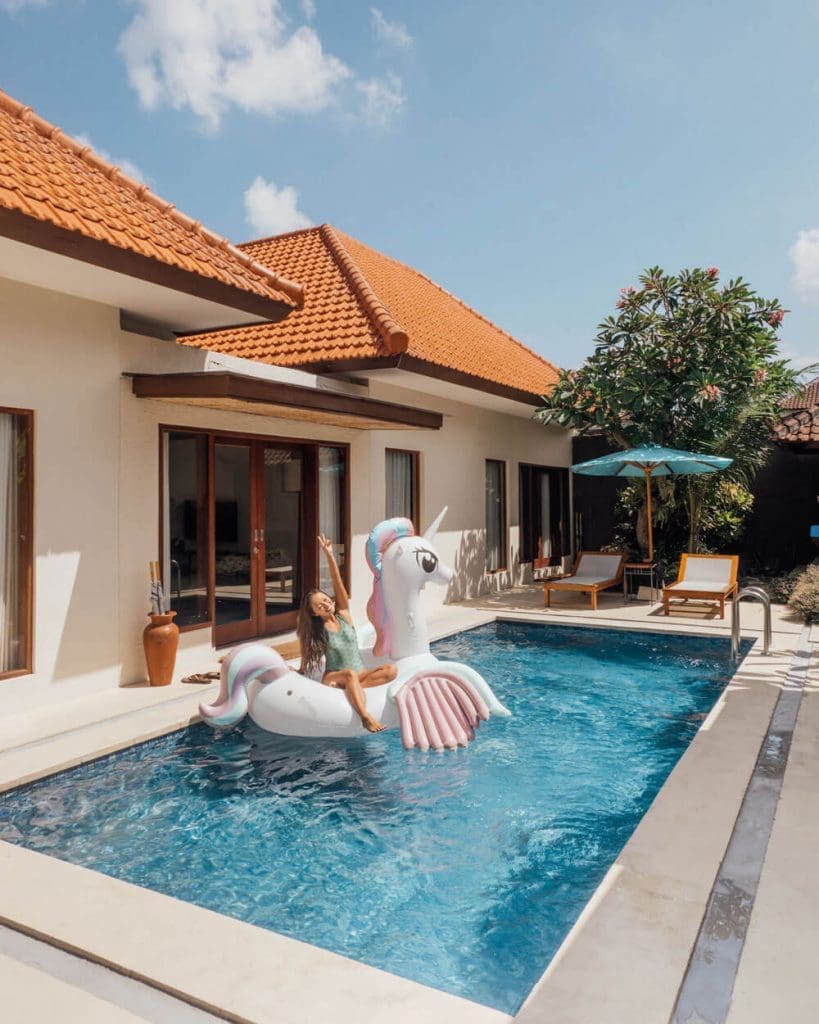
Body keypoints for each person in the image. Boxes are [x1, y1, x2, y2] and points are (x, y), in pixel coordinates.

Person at [297, 534, 397, 733]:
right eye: (319, 605)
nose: (326, 604)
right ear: (314, 612)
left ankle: (350, 690)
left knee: (390, 670)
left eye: (325, 599)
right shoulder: (319, 630)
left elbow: (337, 583)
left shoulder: (343, 615)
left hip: (359, 675)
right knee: (350, 674)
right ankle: (365, 717)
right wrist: (300, 670)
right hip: (336, 675)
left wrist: (329, 555)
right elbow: (305, 647)